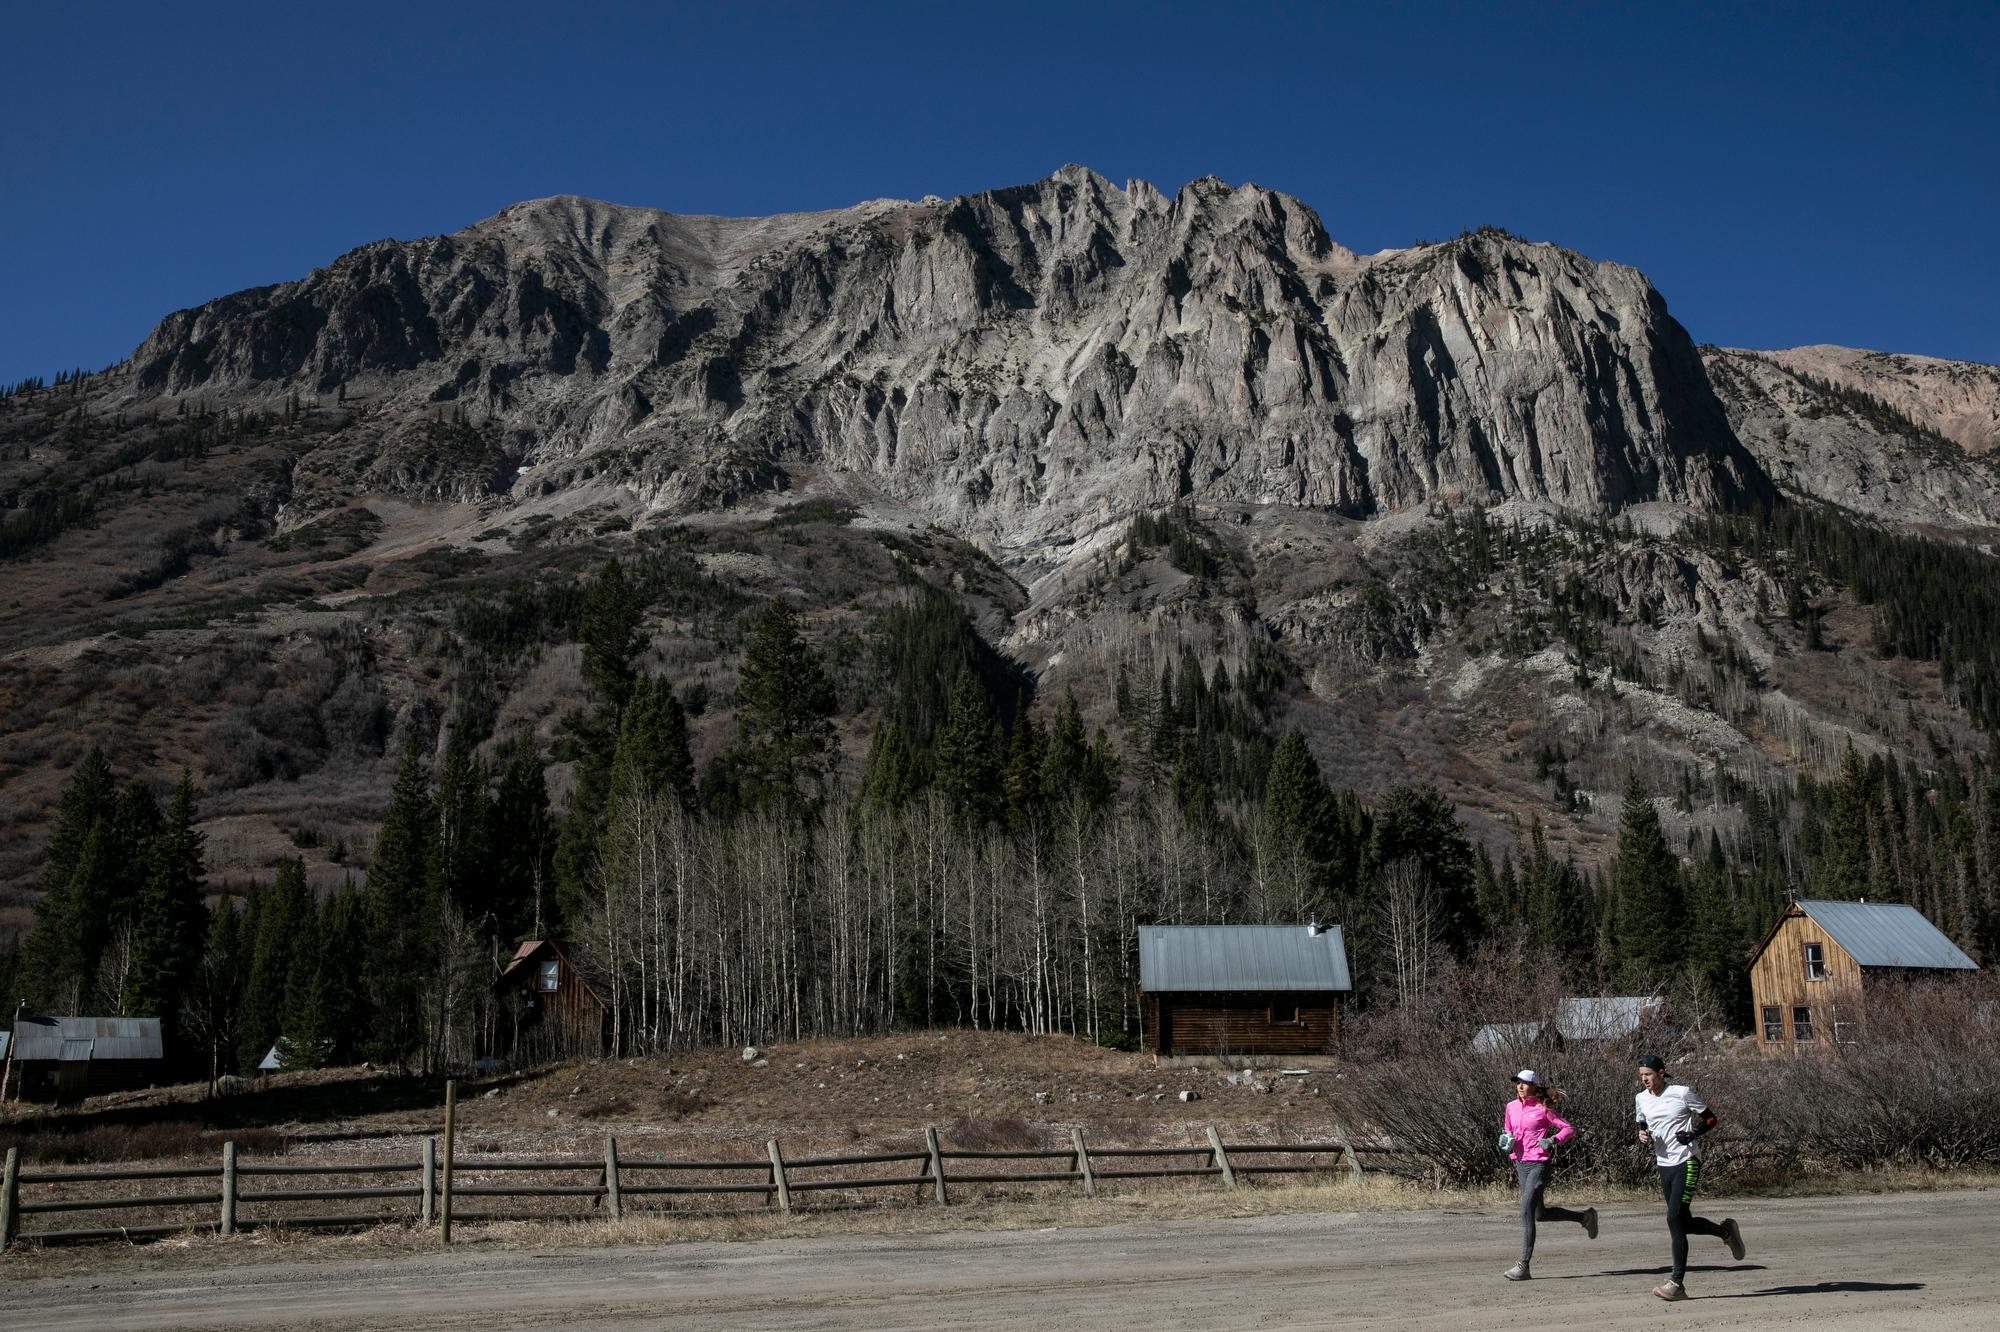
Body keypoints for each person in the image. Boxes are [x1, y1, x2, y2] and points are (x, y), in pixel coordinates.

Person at [1634, 1054, 1746, 1301]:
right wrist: (1643, 1135)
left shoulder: (1681, 1093)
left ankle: (1676, 1284)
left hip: (1687, 1160)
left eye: (1649, 1074)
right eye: (1641, 1075)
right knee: (1683, 1222)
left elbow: (1711, 1118)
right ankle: (1725, 1232)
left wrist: (1693, 1133)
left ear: (1661, 1073)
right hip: (1664, 1164)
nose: (1644, 1079)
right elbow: (1642, 1123)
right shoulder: (1640, 1099)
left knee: (1673, 1218)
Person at [1499, 1068, 1598, 1280]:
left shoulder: (1543, 1109)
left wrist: (1552, 1141)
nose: (1520, 1086)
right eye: (1518, 1082)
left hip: (1539, 1164)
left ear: (1534, 1086)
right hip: (1520, 1164)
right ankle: (1585, 1217)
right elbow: (1508, 1129)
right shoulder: (1511, 1107)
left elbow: (1568, 1129)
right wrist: (1506, 1140)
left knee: (1525, 1210)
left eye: (1525, 1083)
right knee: (1539, 1214)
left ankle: (1523, 1266)